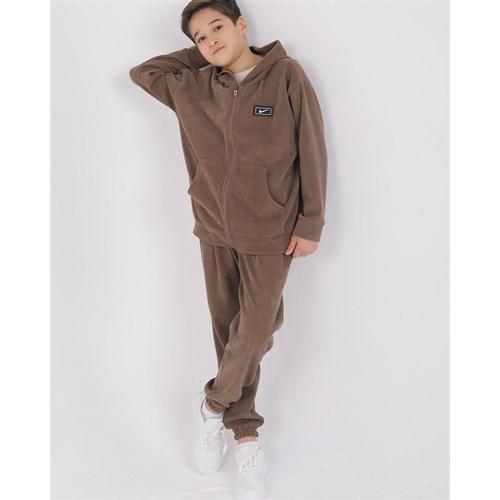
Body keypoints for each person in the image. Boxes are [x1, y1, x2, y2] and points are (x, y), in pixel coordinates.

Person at [129, 0, 328, 498]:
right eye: (199, 37)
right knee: (228, 332)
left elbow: (312, 148)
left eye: (217, 27)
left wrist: (311, 221)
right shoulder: (192, 87)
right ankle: (245, 435)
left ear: (242, 24)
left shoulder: (286, 75)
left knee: (257, 327)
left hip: (271, 228)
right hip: (214, 227)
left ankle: (212, 405)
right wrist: (202, 58)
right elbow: (143, 72)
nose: (210, 40)